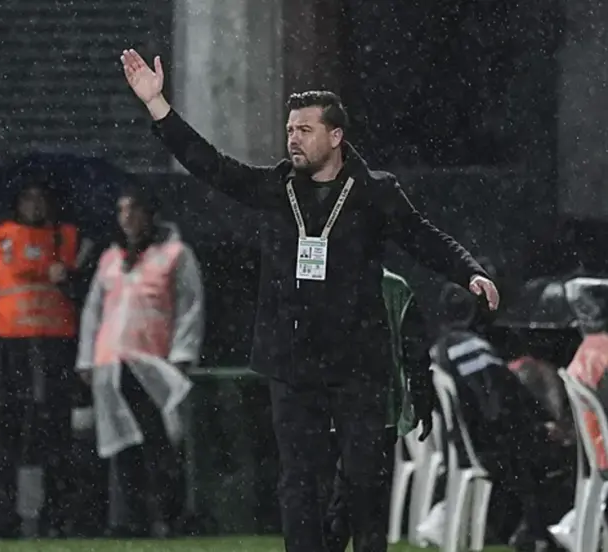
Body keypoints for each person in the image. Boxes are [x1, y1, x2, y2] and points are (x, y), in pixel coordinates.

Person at [119, 49, 499, 552]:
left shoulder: (374, 193)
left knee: (364, 483)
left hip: (358, 363)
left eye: (304, 130)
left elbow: (423, 238)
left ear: (335, 137)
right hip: (293, 362)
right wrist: (158, 106)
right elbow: (210, 166)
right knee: (299, 483)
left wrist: (470, 271)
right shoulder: (277, 188)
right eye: (289, 130)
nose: (293, 138)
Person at [75, 183, 205, 538]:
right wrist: (87, 358)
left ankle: (169, 515)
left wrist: (182, 354)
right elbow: (93, 311)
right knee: (121, 444)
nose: (127, 217)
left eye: (133, 209)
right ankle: (129, 519)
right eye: (121, 210)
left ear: (150, 213)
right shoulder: (111, 258)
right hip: (111, 362)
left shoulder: (174, 254)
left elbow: (189, 305)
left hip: (151, 362)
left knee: (157, 441)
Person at [0, 180, 82, 537]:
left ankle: (57, 516)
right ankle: (1, 517)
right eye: (28, 199)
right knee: (6, 431)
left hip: (56, 345)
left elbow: (87, 289)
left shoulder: (68, 238)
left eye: (41, 199)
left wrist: (69, 278)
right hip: (8, 345)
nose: (35, 206)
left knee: (55, 432)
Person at [431, 283, 549, 551]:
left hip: (459, 447)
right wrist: (541, 427)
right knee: (549, 454)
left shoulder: (440, 349)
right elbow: (502, 406)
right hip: (485, 449)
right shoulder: (473, 349)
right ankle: (536, 530)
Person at [325, 268, 434, 551]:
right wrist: (422, 401)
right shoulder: (395, 287)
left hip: (326, 412)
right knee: (368, 506)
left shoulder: (325, 280)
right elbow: (415, 353)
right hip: (378, 411)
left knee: (340, 498)